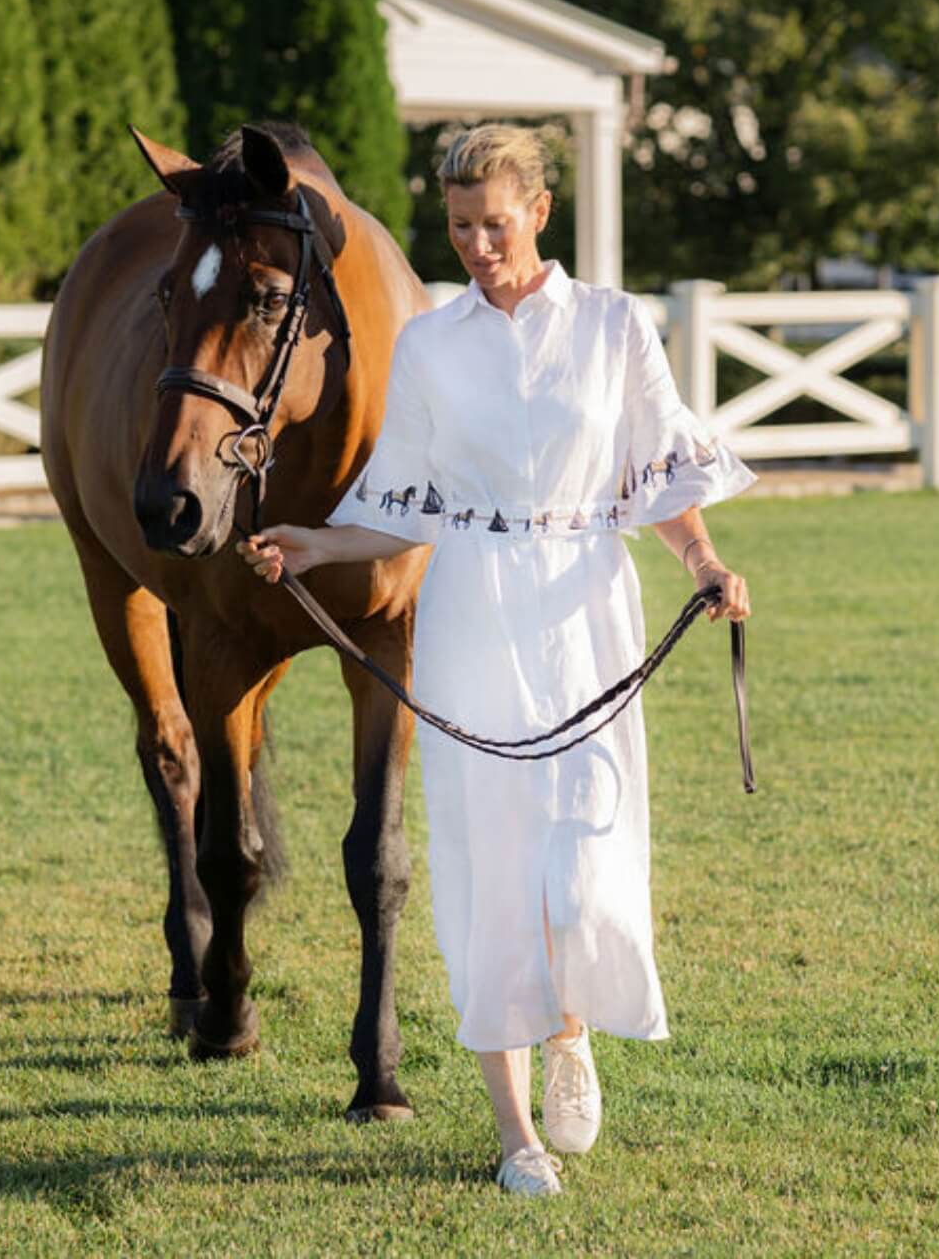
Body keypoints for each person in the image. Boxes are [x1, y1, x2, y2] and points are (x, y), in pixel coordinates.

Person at [238, 124, 754, 1198]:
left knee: (589, 859)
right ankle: (517, 1135)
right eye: (461, 226)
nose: (477, 245)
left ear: (539, 213)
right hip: (473, 609)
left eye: (495, 223)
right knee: (489, 864)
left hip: (586, 605)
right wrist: (314, 545)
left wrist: (706, 563)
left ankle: (571, 1029)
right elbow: (402, 499)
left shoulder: (614, 327)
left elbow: (658, 472)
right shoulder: (432, 345)